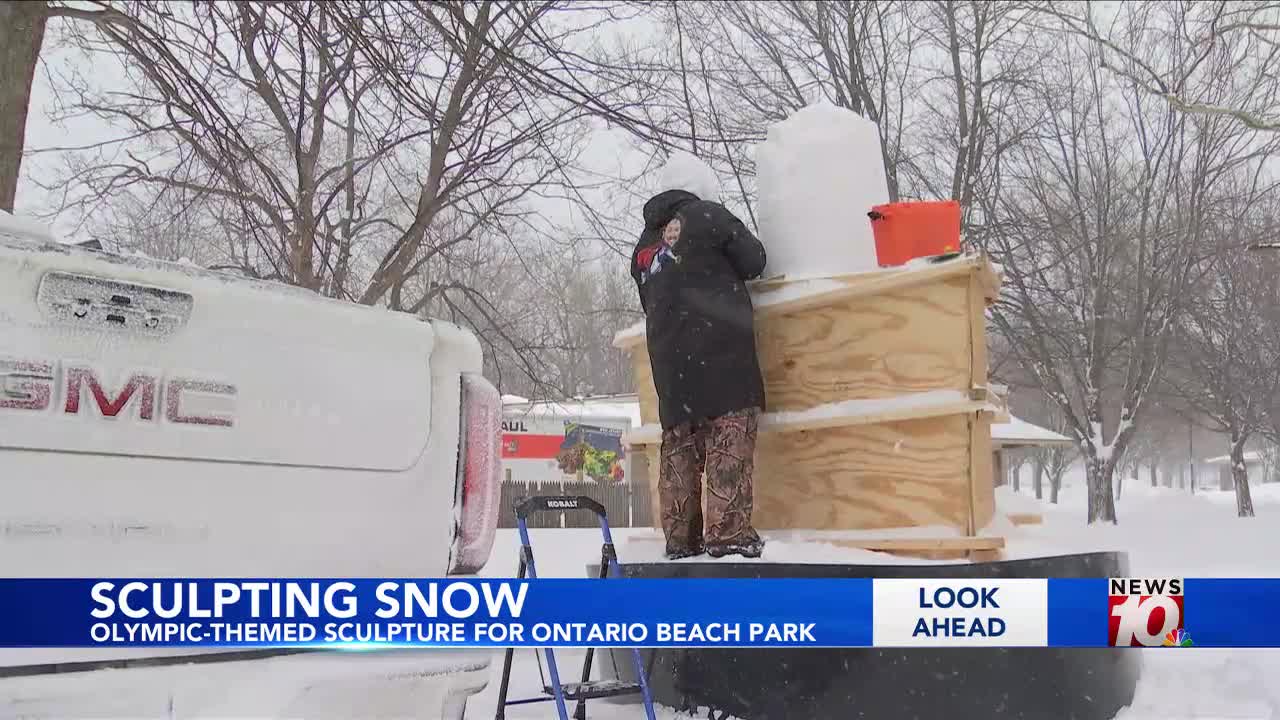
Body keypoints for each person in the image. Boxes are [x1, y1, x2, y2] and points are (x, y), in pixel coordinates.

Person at [629, 152, 768, 560]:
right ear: (700, 188)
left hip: (671, 370)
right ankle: (728, 536)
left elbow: (649, 297)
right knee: (729, 440)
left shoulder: (643, 245)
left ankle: (679, 541)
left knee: (679, 451)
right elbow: (755, 261)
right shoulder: (710, 216)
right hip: (722, 358)